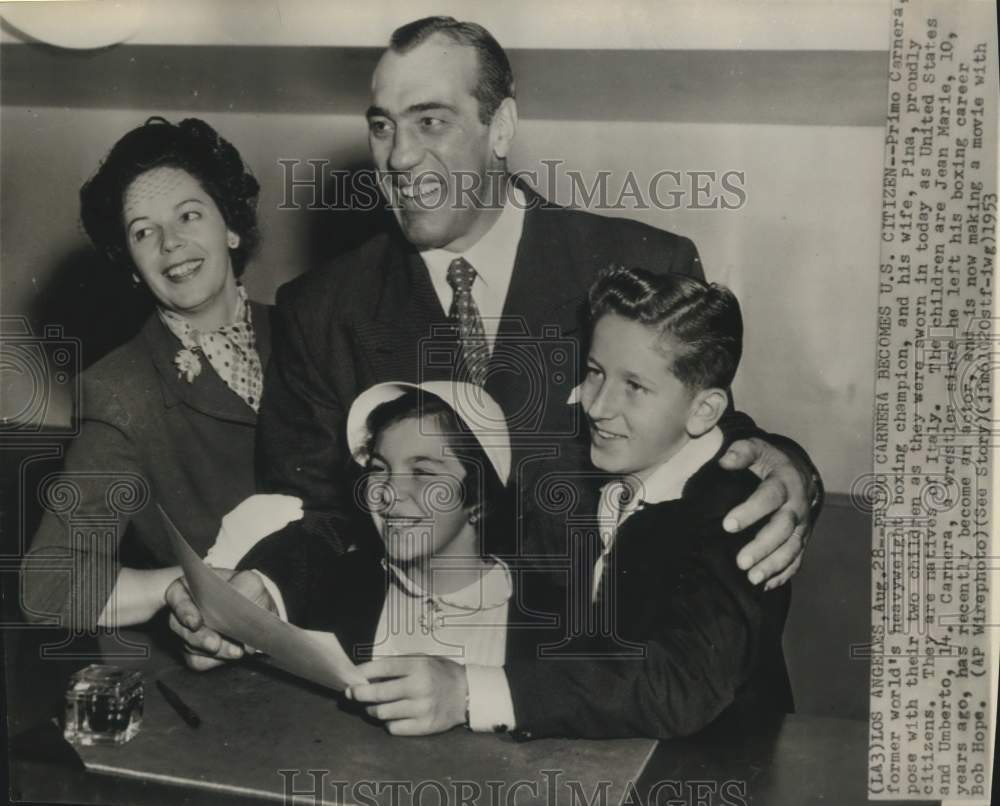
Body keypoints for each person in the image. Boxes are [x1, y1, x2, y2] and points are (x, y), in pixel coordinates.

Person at [171, 15, 821, 666]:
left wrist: (792, 469)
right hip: (430, 688)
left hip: (625, 686)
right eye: (381, 126)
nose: (398, 157)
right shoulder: (320, 309)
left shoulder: (643, 259)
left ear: (501, 127)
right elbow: (315, 513)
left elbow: (712, 441)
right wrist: (262, 589)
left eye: (430, 121)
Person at [349, 266, 794, 739]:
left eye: (634, 387)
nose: (597, 406)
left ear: (704, 411)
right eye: (595, 373)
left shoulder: (741, 513)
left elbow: (680, 686)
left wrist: (467, 691)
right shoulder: (611, 476)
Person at [20, 117, 295, 630]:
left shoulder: (313, 329)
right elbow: (49, 585)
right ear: (131, 264)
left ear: (231, 227)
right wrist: (180, 586)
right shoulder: (121, 390)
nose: (170, 243)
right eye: (143, 232)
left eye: (189, 215)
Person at [170, 381, 535, 739]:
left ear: (480, 498)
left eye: (422, 473)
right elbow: (248, 628)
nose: (389, 493)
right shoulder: (336, 590)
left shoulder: (547, 617)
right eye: (378, 469)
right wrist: (210, 622)